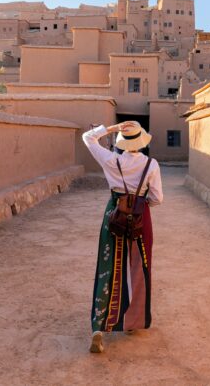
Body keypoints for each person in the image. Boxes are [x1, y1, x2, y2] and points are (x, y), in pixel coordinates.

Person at [82, 121, 163, 354]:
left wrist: (110, 128)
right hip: (140, 217)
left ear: (122, 142)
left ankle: (98, 329)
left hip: (114, 215)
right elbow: (157, 198)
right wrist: (141, 201)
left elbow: (87, 138)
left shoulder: (111, 160)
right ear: (141, 141)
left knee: (108, 266)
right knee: (139, 268)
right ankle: (132, 321)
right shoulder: (151, 164)